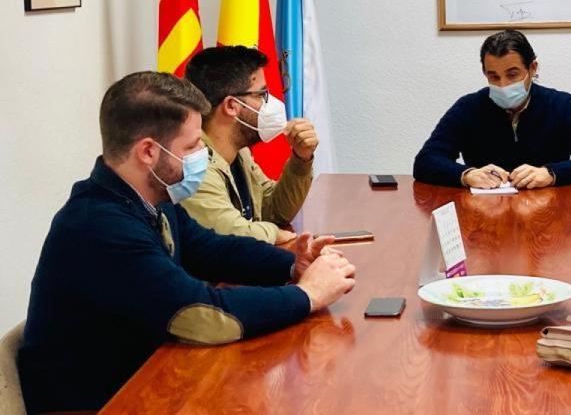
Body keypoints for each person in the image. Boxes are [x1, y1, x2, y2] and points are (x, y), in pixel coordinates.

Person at [17, 72, 356, 413]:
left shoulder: (149, 198)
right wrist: (306, 296)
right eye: (193, 146)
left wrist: (290, 264)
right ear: (149, 151)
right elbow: (200, 314)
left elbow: (210, 249)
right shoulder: (100, 227)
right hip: (103, 402)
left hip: (148, 379)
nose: (203, 157)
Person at [413, 29, 571, 189]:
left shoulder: (563, 105)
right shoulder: (468, 107)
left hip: (549, 216)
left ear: (532, 69)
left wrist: (551, 173)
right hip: (484, 215)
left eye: (512, 74)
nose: (503, 84)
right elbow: (426, 161)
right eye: (494, 76)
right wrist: (467, 174)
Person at [182, 46, 318, 245]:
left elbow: (273, 211)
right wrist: (274, 233)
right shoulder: (195, 166)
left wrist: (301, 158)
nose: (270, 102)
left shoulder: (239, 152)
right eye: (261, 95)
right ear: (231, 106)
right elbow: (230, 232)